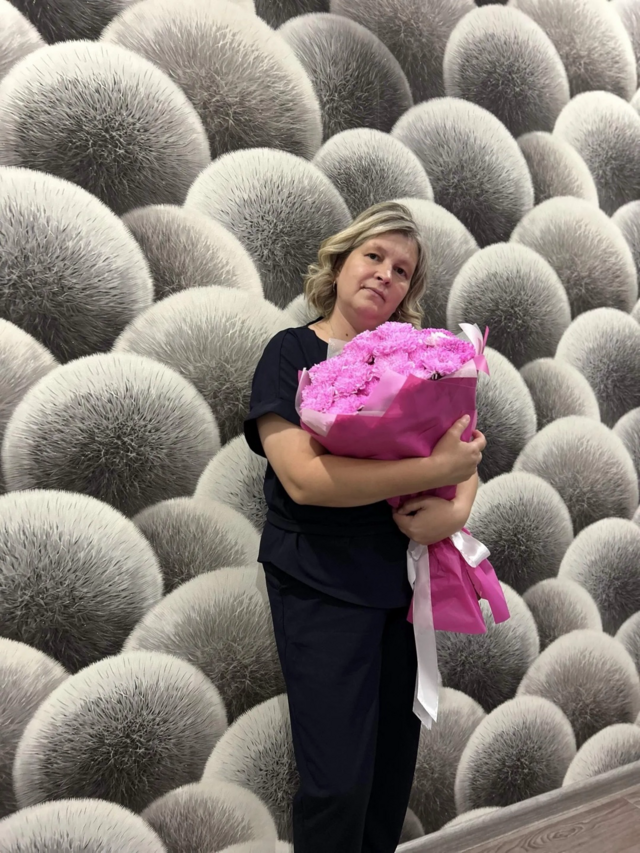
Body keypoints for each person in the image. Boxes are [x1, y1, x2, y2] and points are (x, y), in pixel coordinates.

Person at [243, 201, 486, 853]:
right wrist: (431, 470)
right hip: (319, 583)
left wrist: (456, 507)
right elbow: (304, 479)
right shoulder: (290, 352)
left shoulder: (423, 360)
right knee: (337, 786)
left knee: (388, 777)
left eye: (402, 270)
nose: (385, 274)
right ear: (340, 263)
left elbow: (465, 448)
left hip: (402, 586)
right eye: (374, 256)